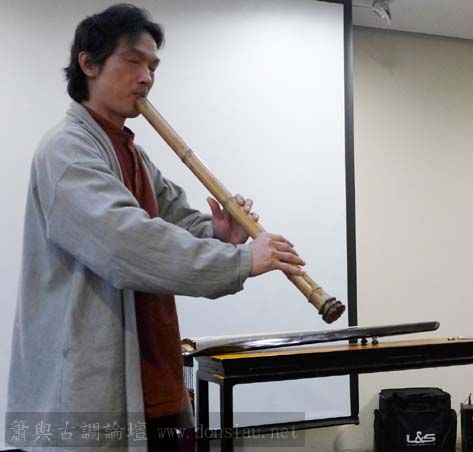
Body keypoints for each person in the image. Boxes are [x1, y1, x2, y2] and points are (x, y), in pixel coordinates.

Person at [7, 4, 305, 451]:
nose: (146, 77)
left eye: (153, 67)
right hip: (94, 392)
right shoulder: (67, 152)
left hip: (156, 379)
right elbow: (129, 245)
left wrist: (219, 234)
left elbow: (176, 219)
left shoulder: (132, 152)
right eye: (133, 61)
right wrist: (241, 261)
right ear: (89, 64)